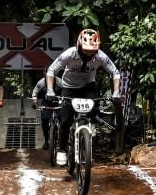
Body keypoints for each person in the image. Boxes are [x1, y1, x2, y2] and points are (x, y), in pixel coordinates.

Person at [45, 28, 121, 166]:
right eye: (86, 50)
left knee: (94, 108)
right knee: (66, 119)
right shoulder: (69, 54)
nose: (89, 53)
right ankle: (62, 149)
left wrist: (116, 92)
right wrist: (50, 90)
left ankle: (88, 129)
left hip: (88, 87)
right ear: (79, 46)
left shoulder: (100, 56)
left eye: (92, 50)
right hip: (69, 88)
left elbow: (115, 73)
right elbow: (51, 70)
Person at [31, 75, 63, 150]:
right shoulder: (41, 82)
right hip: (46, 102)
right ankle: (46, 141)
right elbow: (35, 93)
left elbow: (66, 90)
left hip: (58, 101)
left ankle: (63, 140)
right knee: (45, 119)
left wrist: (63, 98)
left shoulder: (59, 81)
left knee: (62, 119)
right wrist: (35, 102)